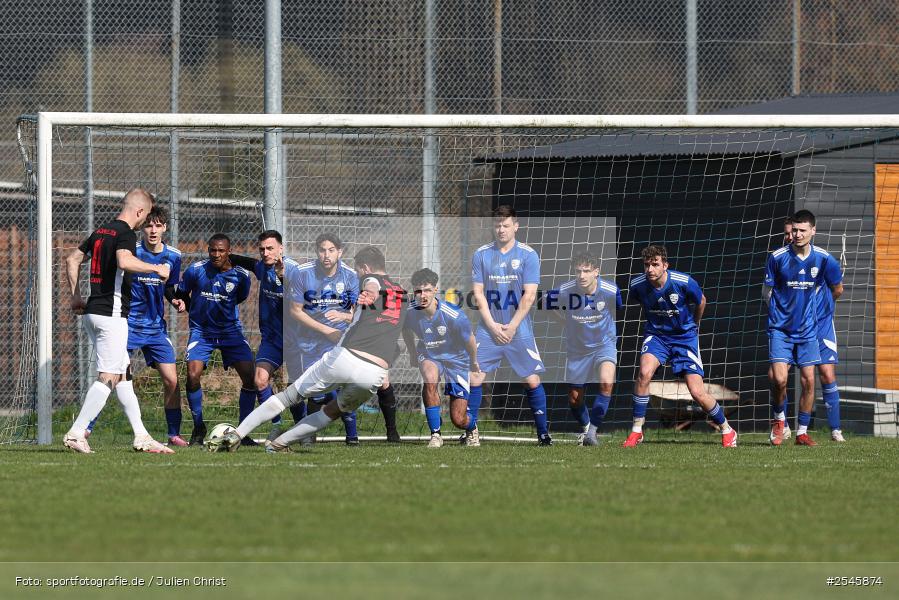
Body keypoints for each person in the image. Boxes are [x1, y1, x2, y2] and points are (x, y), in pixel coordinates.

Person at [213, 246, 406, 451]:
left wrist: (370, 293)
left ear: (365, 268)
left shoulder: (370, 281)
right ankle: (277, 445)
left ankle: (236, 435)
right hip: (374, 374)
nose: (358, 276)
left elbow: (372, 283)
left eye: (359, 271)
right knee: (331, 412)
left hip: (347, 358)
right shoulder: (402, 293)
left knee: (289, 397)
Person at [62, 188, 174, 454]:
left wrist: (76, 297)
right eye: (146, 216)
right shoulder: (125, 233)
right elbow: (124, 261)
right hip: (111, 314)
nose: (145, 223)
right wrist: (156, 268)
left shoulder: (101, 231)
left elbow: (72, 259)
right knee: (109, 376)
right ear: (139, 211)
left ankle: (141, 436)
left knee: (123, 375)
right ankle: (77, 432)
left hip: (94, 312)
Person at [85, 206, 186, 446]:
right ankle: (86, 427)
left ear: (165, 228)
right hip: (128, 326)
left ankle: (173, 434)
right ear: (142, 228)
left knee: (172, 380)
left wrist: (175, 300)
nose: (153, 230)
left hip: (155, 329)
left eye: (158, 225)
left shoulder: (174, 255)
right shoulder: (132, 252)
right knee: (111, 377)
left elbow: (168, 286)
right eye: (149, 225)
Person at [625, 244, 737, 448]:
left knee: (697, 392)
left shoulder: (683, 282)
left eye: (655, 264)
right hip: (657, 336)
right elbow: (641, 301)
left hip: (684, 338)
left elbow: (701, 301)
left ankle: (727, 429)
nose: (650, 269)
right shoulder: (637, 285)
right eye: (647, 265)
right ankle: (636, 430)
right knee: (644, 374)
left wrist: (695, 324)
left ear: (665, 265)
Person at [470, 205, 551, 446]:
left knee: (532, 380)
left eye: (506, 225)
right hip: (488, 327)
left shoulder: (528, 255)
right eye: (497, 225)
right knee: (474, 376)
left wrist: (513, 326)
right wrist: (492, 325)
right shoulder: (481, 254)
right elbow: (478, 293)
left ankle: (543, 434)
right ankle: (471, 431)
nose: (501, 229)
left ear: (516, 226)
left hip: (519, 327)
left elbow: (530, 295)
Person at [764, 210, 843, 446]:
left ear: (813, 231)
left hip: (809, 329)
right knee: (778, 379)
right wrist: (779, 314)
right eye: (794, 230)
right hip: (781, 329)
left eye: (802, 230)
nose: (797, 235)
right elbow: (766, 293)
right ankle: (780, 419)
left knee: (810, 380)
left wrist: (818, 312)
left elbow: (837, 288)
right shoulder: (777, 257)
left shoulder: (824, 259)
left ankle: (802, 433)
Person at [175, 233, 255, 445]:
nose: (216, 254)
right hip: (202, 332)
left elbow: (240, 297)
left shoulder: (241, 275)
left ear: (229, 252)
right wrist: (191, 309)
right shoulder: (195, 270)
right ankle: (198, 427)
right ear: (208, 250)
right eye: (213, 250)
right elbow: (181, 293)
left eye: (221, 251)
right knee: (192, 375)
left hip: (230, 331)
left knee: (251, 377)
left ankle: (243, 431)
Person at [282, 233, 362, 445]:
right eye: (322, 250)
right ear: (316, 252)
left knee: (345, 385)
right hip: (308, 341)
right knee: (312, 390)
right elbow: (295, 311)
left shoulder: (350, 276)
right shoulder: (302, 273)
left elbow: (355, 313)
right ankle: (307, 434)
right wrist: (326, 330)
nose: (326, 255)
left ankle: (352, 437)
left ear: (340, 252)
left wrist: (344, 317)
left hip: (340, 340)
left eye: (331, 250)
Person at [227, 230, 302, 439]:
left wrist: (283, 277)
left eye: (270, 248)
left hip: (296, 340)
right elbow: (251, 264)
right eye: (262, 249)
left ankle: (302, 430)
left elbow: (303, 299)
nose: (265, 253)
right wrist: (227, 256)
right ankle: (277, 424)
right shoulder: (263, 267)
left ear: (281, 249)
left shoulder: (294, 270)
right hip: (272, 339)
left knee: (295, 388)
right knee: (260, 380)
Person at [402, 268, 480, 448]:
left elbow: (470, 340)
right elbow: (405, 330)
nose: (423, 295)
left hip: (457, 360)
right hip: (429, 354)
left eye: (427, 290)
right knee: (429, 378)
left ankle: (472, 427)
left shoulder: (454, 315)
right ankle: (436, 434)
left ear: (435, 290)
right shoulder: (409, 312)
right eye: (418, 291)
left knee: (458, 419)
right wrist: (412, 353)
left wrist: (474, 361)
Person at [554, 253, 622, 446]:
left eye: (586, 271)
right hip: (578, 349)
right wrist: (565, 322)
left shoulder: (610, 291)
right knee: (575, 399)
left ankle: (592, 433)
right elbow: (545, 304)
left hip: (604, 344)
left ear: (596, 272)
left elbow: (616, 309)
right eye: (578, 271)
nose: (581, 275)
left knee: (607, 382)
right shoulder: (565, 291)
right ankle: (585, 428)